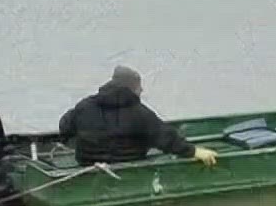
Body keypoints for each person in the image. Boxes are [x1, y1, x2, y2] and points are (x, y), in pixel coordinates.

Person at [57, 65, 218, 166]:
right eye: (139, 86)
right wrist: (194, 152)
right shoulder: (140, 113)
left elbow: (65, 127)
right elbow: (166, 138)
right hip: (125, 163)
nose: (142, 90)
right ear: (131, 88)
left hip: (86, 162)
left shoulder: (85, 106)